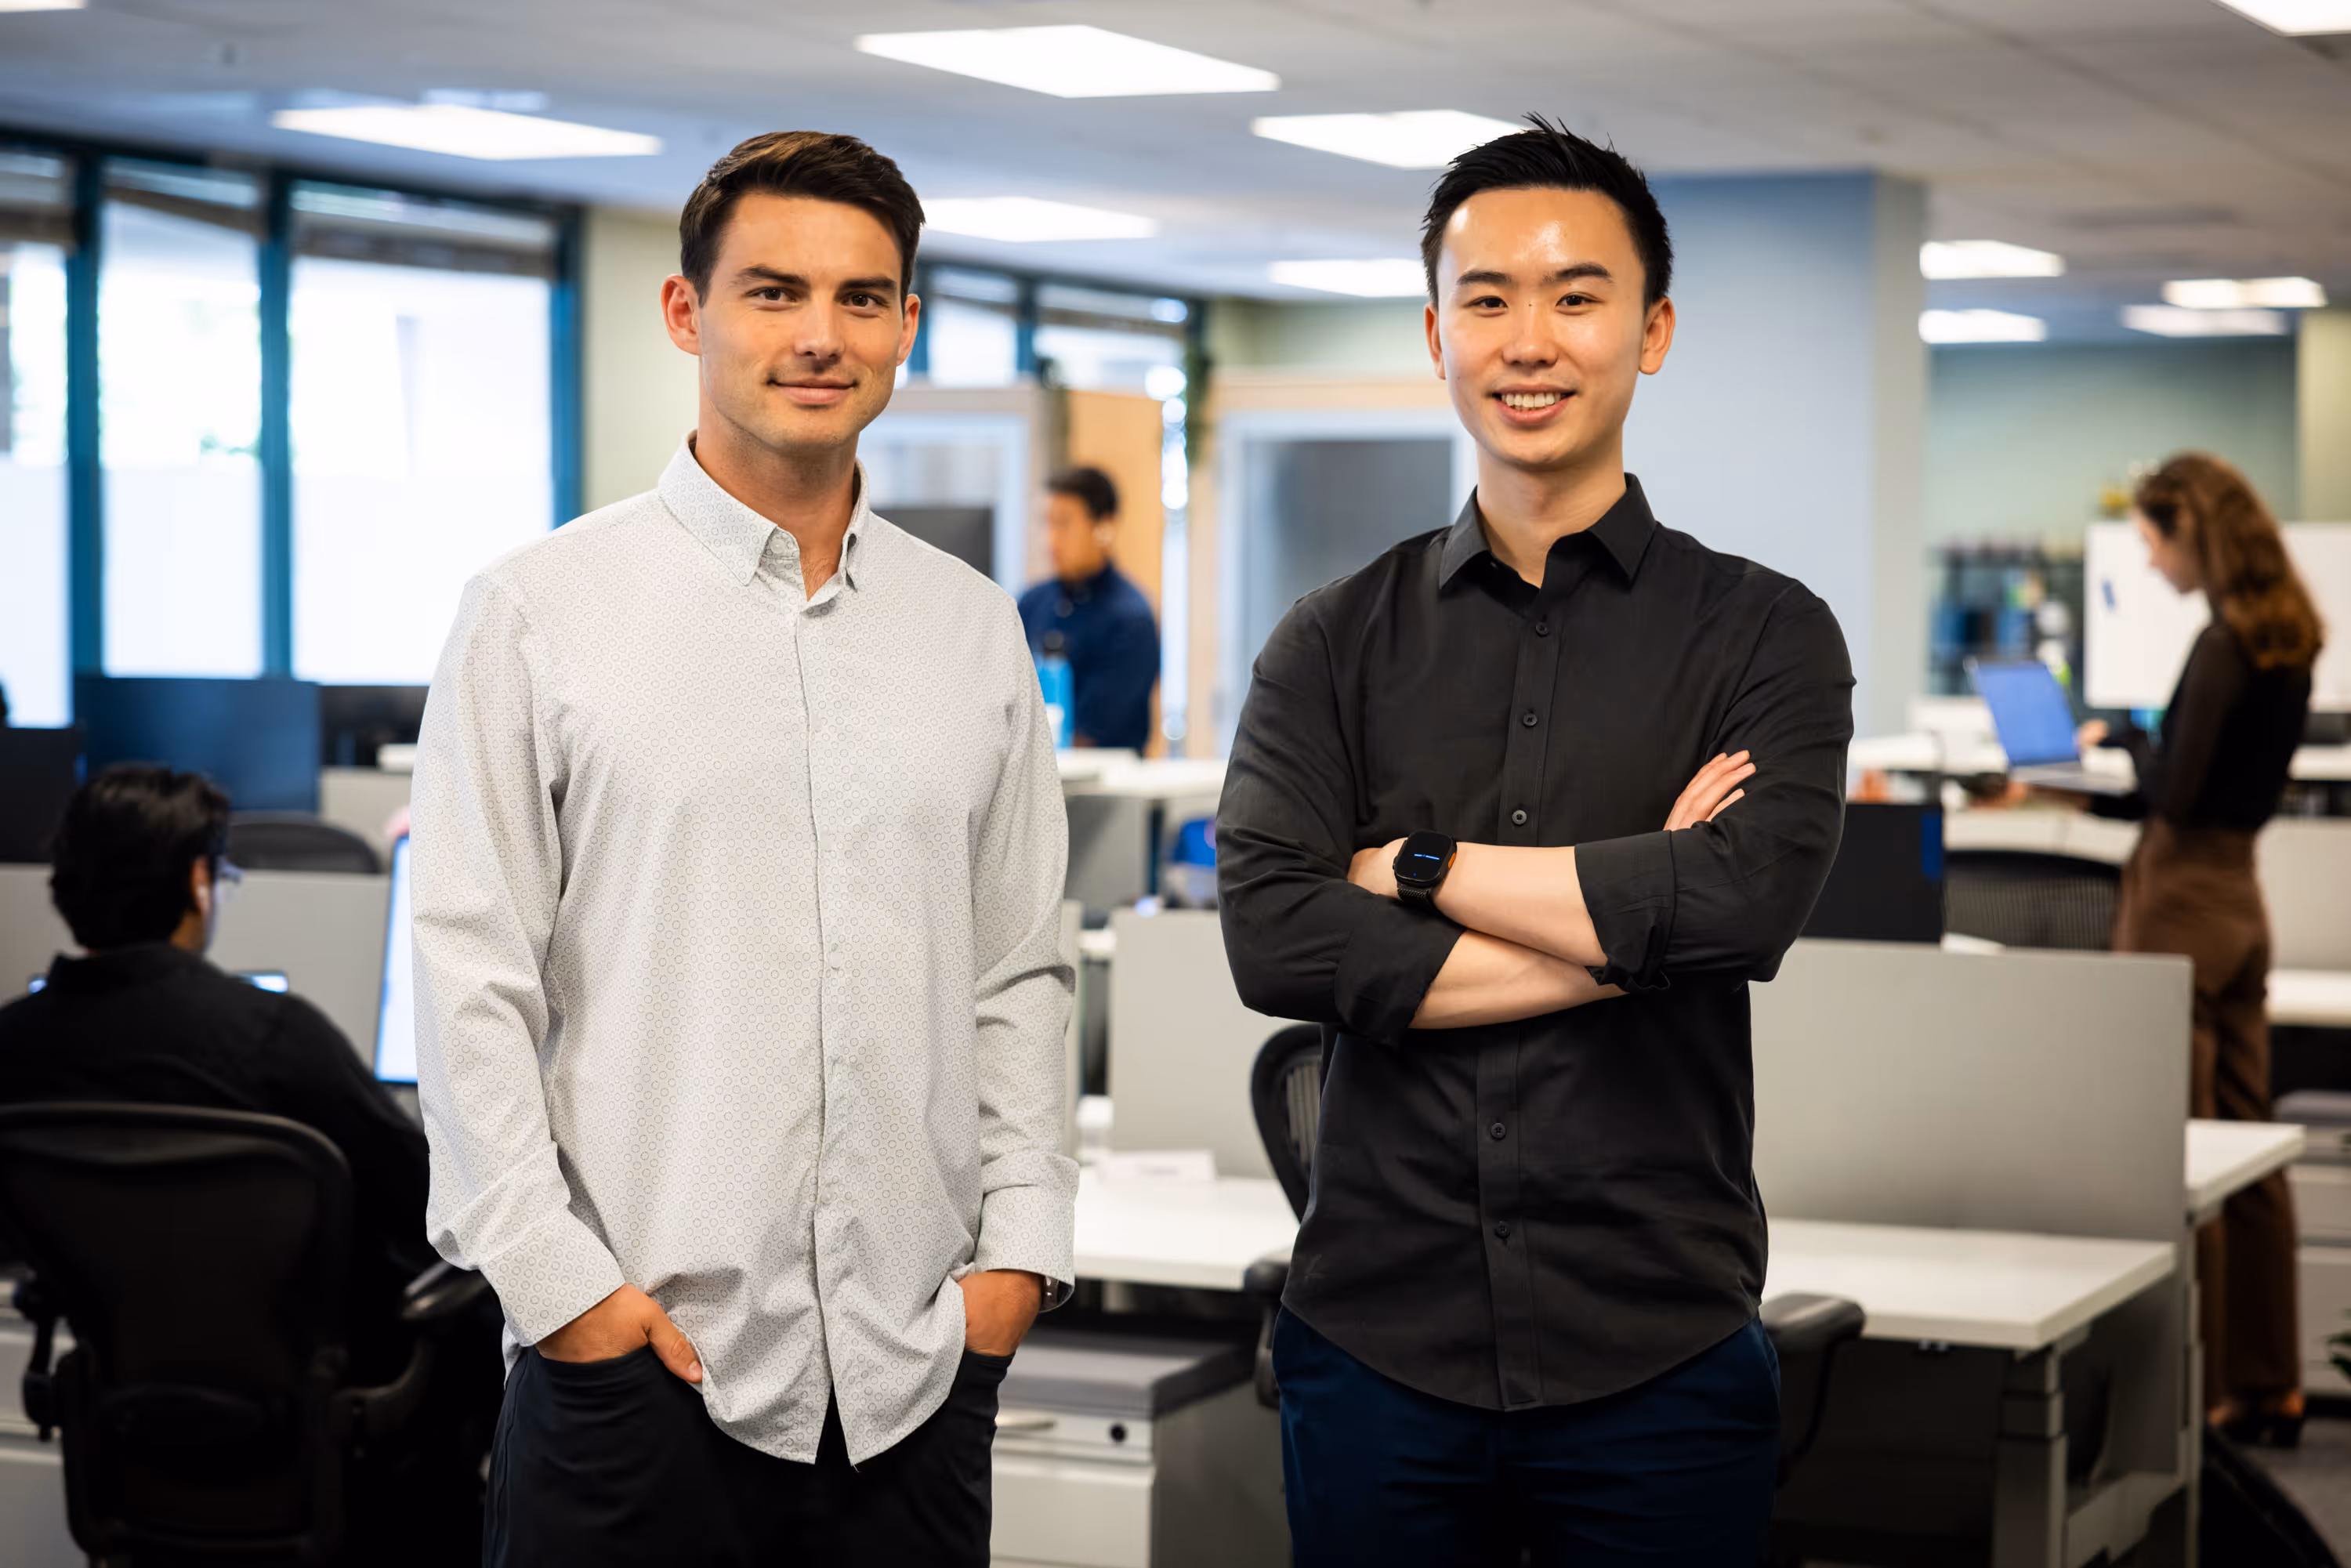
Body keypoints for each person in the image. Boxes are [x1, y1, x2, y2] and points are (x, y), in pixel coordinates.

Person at [410, 129, 1074, 1568]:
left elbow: (1020, 969)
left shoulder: (974, 629)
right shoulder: (538, 611)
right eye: (773, 292)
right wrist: (561, 1292)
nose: (820, 336)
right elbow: (471, 982)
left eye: (862, 297)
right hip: (641, 1377)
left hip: (913, 1382)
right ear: (685, 313)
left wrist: (1015, 1256)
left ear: (907, 322)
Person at [1216, 117, 1853, 1567]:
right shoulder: (1330, 641)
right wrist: (1638, 931)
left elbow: (1743, 909)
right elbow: (1277, 937)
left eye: (1577, 296)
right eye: (1487, 298)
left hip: (1658, 1349)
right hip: (1376, 1342)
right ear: (1435, 330)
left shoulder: (1766, 634)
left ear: (1655, 330)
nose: (1530, 340)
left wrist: (1421, 870)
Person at [0, 766, 486, 1555]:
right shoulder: (272, 1038)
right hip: (328, 1428)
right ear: (198, 882)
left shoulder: (14, 1047)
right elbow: (438, 1202)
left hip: (132, 1433)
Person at [2080, 453, 2323, 1445]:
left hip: (2178, 900)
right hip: (2241, 898)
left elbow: (2173, 790)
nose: (2149, 564)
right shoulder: (2292, 641)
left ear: (2196, 534)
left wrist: (2117, 742)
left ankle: (2208, 1392)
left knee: (2180, 1150)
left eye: (2153, 542)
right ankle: (2272, 1381)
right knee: (2250, 1147)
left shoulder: (2221, 648)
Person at [1017, 465, 1161, 751]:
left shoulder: (1130, 619)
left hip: (1104, 786)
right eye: (1046, 523)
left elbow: (1092, 730)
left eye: (1064, 523)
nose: (1051, 540)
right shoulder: (1031, 603)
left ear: (1103, 527)